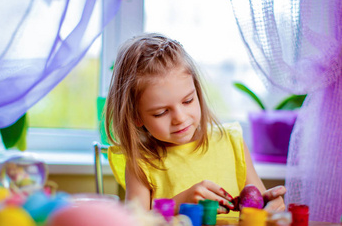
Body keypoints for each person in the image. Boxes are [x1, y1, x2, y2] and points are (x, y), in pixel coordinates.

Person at [105, 33, 285, 215]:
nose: (180, 118)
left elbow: (261, 206)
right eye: (161, 112)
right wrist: (178, 204)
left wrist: (271, 207)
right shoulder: (141, 162)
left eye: (188, 101)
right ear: (136, 117)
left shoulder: (231, 142)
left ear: (197, 93)